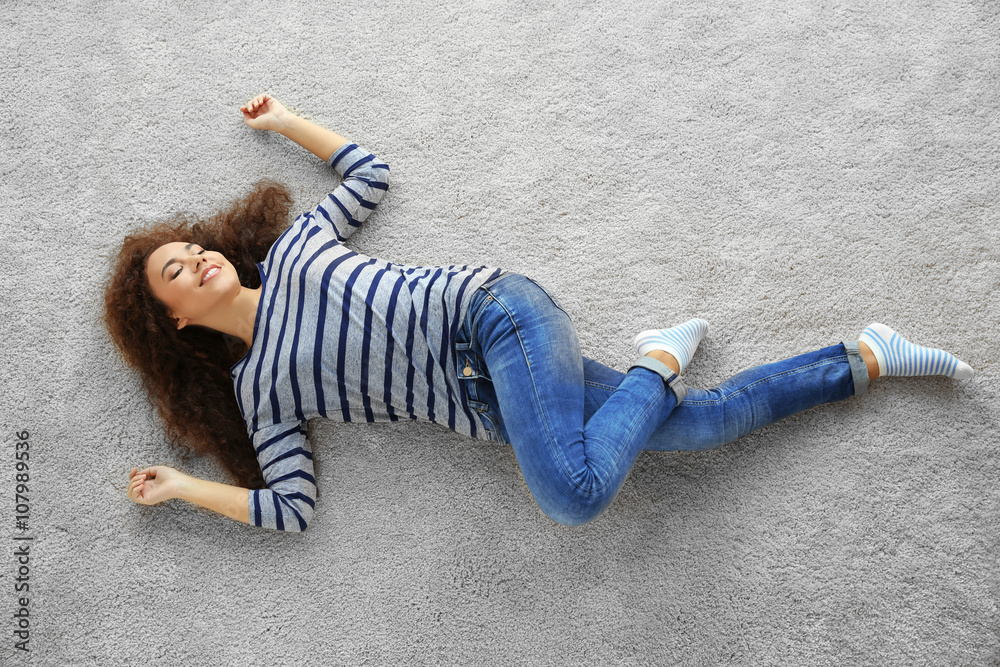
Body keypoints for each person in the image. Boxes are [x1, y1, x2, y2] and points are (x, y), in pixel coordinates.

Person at [106, 94, 975, 532]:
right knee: (704, 425)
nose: (199, 258)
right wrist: (183, 489)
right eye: (178, 271)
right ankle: (866, 355)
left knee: (572, 497)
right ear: (176, 320)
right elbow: (290, 508)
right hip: (488, 406)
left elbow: (368, 173)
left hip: (494, 316)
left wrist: (289, 122)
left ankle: (660, 358)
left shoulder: (298, 246)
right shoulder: (261, 390)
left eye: (193, 247)